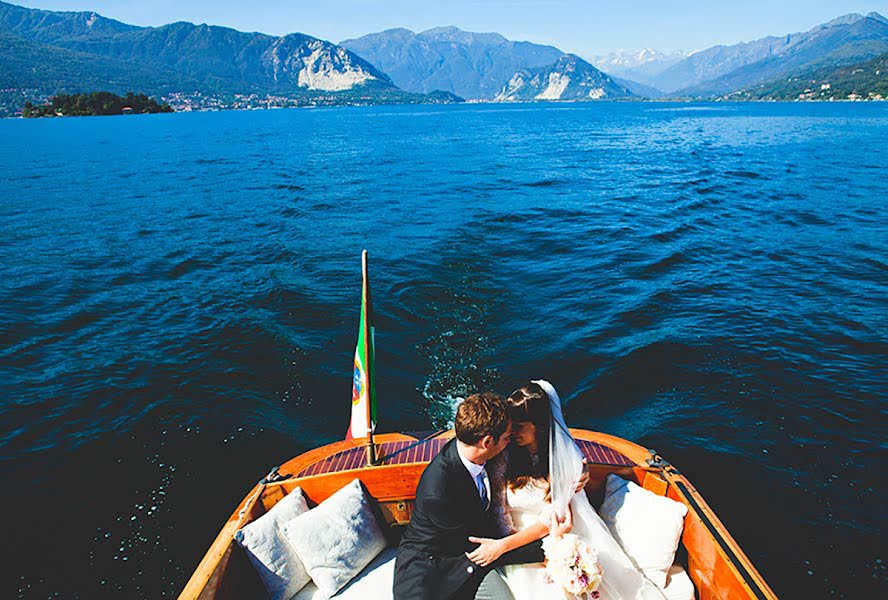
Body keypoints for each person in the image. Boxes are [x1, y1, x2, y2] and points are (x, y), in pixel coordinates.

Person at [470, 381, 668, 600]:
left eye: (520, 426)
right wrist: (504, 544)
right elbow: (498, 507)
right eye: (510, 425)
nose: (511, 432)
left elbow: (555, 521)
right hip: (511, 542)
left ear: (539, 426)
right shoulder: (504, 454)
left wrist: (507, 546)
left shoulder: (564, 462)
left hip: (546, 540)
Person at [393, 392, 550, 600]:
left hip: (475, 556)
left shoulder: (479, 449)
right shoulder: (438, 492)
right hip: (434, 571)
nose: (510, 440)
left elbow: (538, 442)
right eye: (506, 438)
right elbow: (478, 546)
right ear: (487, 442)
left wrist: (578, 470)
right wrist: (546, 551)